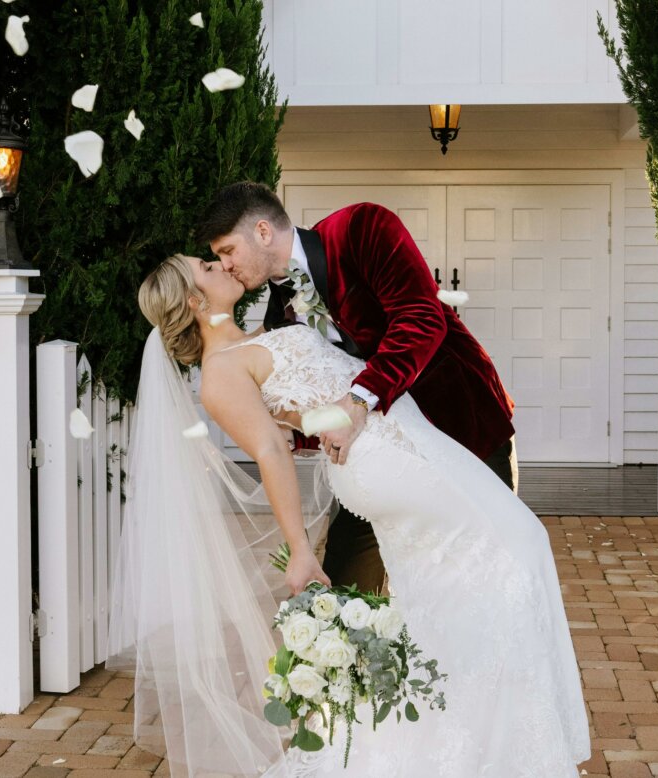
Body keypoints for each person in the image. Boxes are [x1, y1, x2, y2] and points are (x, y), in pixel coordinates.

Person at [108, 254, 589, 778]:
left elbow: (304, 412)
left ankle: (458, 742)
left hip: (409, 439)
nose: (218, 263)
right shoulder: (219, 375)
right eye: (204, 265)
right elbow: (271, 451)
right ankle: (490, 740)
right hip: (383, 464)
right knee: (515, 546)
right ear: (195, 301)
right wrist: (297, 552)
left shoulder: (254, 334)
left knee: (454, 587)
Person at [193, 182, 518, 596]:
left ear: (261, 232)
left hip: (463, 427)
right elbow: (320, 389)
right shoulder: (278, 316)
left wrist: (359, 401)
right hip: (380, 454)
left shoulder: (362, 227)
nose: (225, 265)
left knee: (486, 572)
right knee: (346, 586)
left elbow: (421, 319)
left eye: (227, 251)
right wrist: (293, 433)